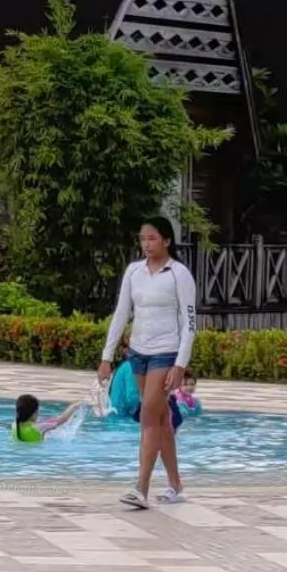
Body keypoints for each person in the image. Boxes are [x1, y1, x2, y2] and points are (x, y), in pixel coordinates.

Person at [96, 216, 197, 510]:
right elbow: (121, 313)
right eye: (143, 239)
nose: (146, 244)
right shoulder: (133, 272)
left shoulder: (179, 274)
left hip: (166, 353)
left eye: (152, 238)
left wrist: (180, 364)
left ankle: (141, 487)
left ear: (167, 240)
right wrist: (107, 356)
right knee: (162, 417)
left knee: (148, 417)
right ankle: (176, 484)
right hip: (137, 352)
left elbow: (189, 323)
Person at [12, 394, 85, 444]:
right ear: (35, 413)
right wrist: (74, 406)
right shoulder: (39, 427)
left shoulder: (15, 425)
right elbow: (62, 419)